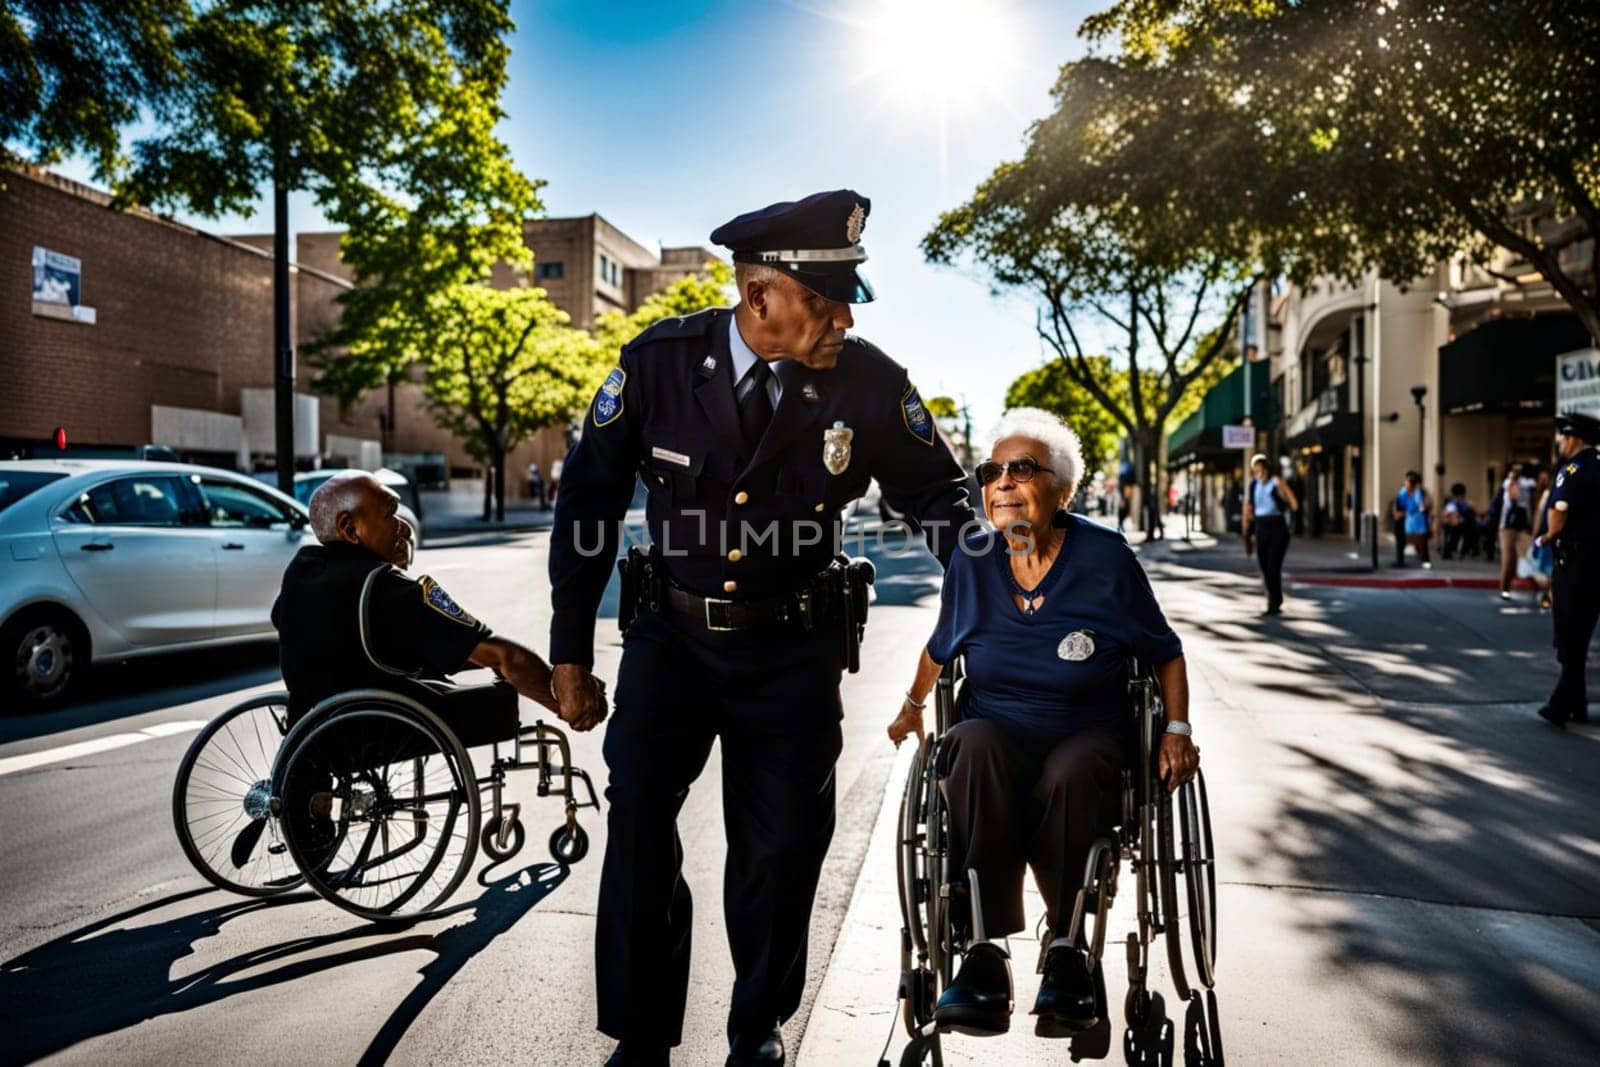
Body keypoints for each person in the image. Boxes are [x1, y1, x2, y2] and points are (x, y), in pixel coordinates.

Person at [548, 190, 977, 1066]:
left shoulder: (867, 380)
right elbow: (587, 497)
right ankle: (641, 1031)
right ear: (759, 299)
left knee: (781, 845)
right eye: (823, 301)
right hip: (672, 640)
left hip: (791, 648)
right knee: (636, 818)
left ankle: (758, 1026)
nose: (843, 317)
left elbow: (939, 497)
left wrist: (1004, 581)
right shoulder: (660, 363)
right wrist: (568, 650)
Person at [886, 408, 1194, 1038]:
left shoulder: (1105, 559)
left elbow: (1164, 652)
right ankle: (983, 953)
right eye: (991, 470)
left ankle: (1067, 944)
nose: (1001, 482)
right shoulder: (973, 560)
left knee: (1072, 770)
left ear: (1063, 490)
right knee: (969, 745)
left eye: (1021, 469)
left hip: (1087, 736)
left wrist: (1177, 730)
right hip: (996, 734)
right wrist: (913, 707)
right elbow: (941, 648)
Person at [271, 471, 604, 730]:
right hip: (380, 728)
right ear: (350, 528)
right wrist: (567, 701)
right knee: (498, 692)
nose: (404, 527)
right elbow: (506, 658)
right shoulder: (389, 592)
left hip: (315, 731)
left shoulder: (301, 573)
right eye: (390, 513)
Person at [1535, 413, 1600, 728]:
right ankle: (1576, 703)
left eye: (1563, 437)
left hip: (1576, 563)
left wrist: (1549, 534)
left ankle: (1562, 702)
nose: (1561, 442)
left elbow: (1560, 509)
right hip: (1597, 562)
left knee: (1569, 632)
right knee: (1582, 630)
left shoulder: (1571, 470)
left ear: (1573, 438)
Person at [1241, 453, 1299, 616]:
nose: (1258, 472)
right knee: (1264, 565)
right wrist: (1246, 529)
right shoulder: (1253, 485)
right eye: (1255, 470)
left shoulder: (1276, 482)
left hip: (1277, 526)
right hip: (1261, 526)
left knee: (1273, 565)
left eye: (1260, 468)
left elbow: (1294, 504)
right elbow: (1249, 507)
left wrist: (1282, 495)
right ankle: (1275, 598)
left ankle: (1274, 602)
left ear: (1266, 468)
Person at [1393, 471, 1432, 569]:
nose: (1409, 483)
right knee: (1399, 527)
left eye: (1412, 481)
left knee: (1422, 539)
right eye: (1408, 480)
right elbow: (1397, 513)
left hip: (1419, 523)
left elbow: (1425, 507)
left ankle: (1425, 559)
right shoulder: (1402, 494)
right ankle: (1400, 559)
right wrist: (1405, 513)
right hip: (1404, 521)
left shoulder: (1422, 493)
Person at [1440, 483, 1476, 560]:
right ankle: (1450, 551)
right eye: (1462, 496)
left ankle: (1464, 550)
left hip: (1462, 525)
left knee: (1468, 529)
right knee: (1454, 533)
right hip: (1453, 526)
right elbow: (1449, 516)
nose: (1463, 497)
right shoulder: (1452, 504)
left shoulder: (1465, 503)